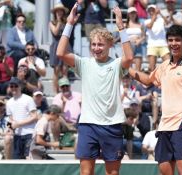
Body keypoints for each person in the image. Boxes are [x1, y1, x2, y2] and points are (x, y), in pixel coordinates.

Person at [57, 4, 133, 175]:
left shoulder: (116, 64)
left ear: (110, 46)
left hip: (112, 125)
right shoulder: (84, 63)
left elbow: (129, 57)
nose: (96, 48)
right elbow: (60, 53)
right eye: (94, 44)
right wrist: (69, 23)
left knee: (112, 173)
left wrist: (121, 26)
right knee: (85, 172)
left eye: (101, 45)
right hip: (88, 125)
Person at [128, 24, 182, 175]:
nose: (173, 43)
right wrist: (127, 69)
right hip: (165, 126)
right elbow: (148, 80)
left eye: (177, 40)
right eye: (170, 40)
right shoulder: (164, 65)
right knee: (165, 170)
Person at [6, 77, 38, 159]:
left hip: (29, 134)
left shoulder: (28, 99)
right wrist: (9, 129)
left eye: (15, 86)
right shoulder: (9, 103)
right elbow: (10, 119)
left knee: (28, 159)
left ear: (20, 86)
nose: (13, 88)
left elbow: (34, 117)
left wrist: (19, 124)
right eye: (11, 86)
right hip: (17, 135)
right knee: (16, 161)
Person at [49, 3, 71, 94]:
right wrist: (58, 21)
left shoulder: (66, 22)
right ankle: (55, 92)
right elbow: (55, 32)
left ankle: (65, 91)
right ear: (55, 12)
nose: (59, 12)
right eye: (57, 10)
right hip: (56, 46)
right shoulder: (51, 22)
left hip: (65, 45)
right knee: (56, 70)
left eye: (60, 10)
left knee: (65, 70)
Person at [144, 4, 170, 71]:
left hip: (163, 44)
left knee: (168, 65)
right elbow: (149, 26)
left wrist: (160, 13)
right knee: (152, 68)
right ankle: (152, 81)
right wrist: (155, 16)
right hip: (152, 45)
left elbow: (168, 22)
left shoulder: (161, 19)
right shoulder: (146, 21)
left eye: (153, 10)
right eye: (150, 11)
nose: (151, 12)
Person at [125, 7, 145, 71]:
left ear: (136, 14)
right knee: (128, 69)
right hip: (128, 46)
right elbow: (122, 37)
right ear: (128, 14)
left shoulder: (140, 24)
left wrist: (140, 40)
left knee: (138, 69)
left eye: (134, 13)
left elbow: (144, 36)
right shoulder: (125, 25)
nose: (133, 14)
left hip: (138, 46)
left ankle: (137, 81)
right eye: (131, 13)